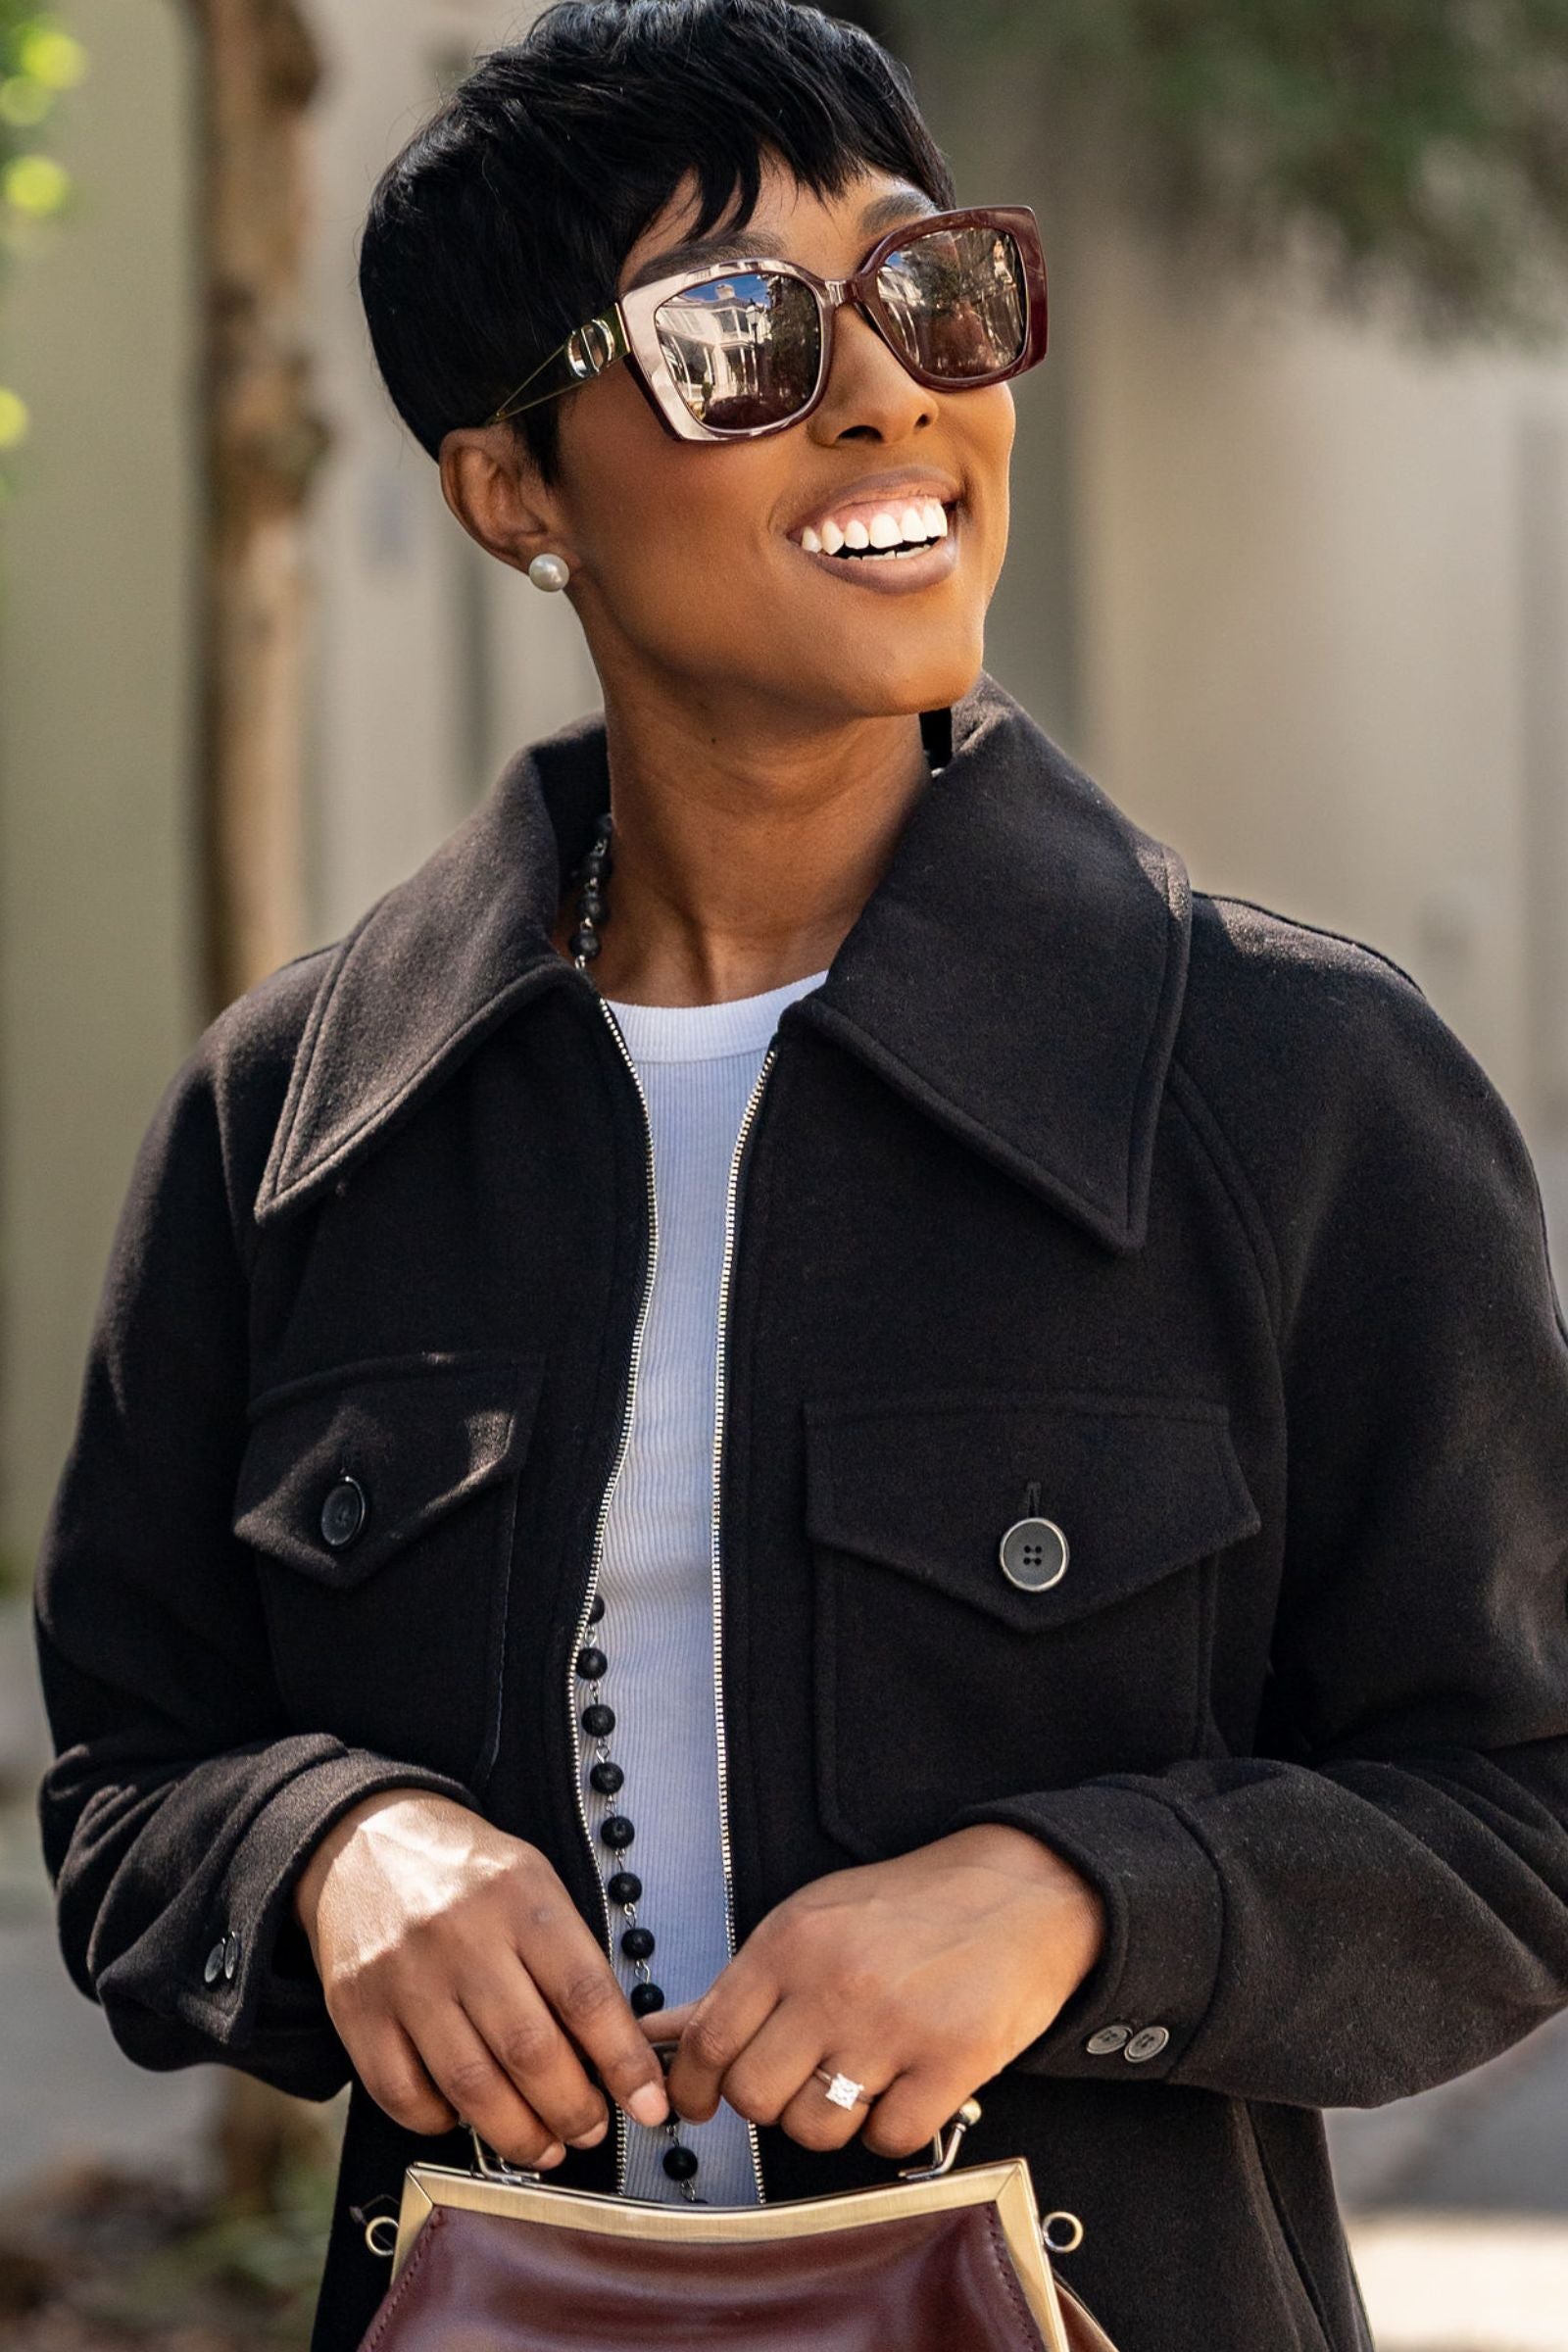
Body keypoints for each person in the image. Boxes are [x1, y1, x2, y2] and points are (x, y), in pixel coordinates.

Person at [32, 4, 1568, 2348]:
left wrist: (1082, 1896)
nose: (885, 395)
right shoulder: (295, 1123)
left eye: (919, 294)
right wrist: (330, 1847)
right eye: (734, 331)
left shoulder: (1283, 1084)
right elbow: (133, 1780)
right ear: (509, 489)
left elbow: (1518, 1818)